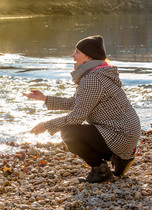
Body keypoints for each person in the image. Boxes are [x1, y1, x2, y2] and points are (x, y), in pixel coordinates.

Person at [23, 35, 141, 183]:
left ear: (88, 56)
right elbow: (75, 103)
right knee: (74, 129)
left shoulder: (93, 78)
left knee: (69, 132)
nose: (73, 55)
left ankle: (101, 171)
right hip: (127, 132)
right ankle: (121, 157)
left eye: (77, 52)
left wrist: (46, 125)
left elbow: (77, 116)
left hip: (120, 134)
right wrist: (44, 98)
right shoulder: (97, 74)